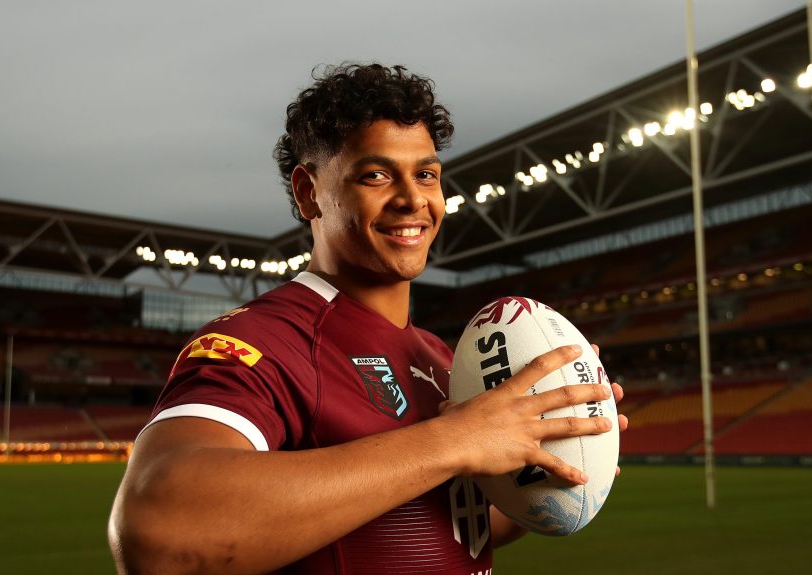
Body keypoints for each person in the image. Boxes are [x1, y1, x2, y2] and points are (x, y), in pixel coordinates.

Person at [108, 63, 627, 575]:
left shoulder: (443, 357)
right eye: (376, 175)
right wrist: (455, 441)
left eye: (426, 174)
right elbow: (159, 533)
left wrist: (556, 462)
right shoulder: (263, 339)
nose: (412, 199)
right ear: (308, 192)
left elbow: (445, 523)